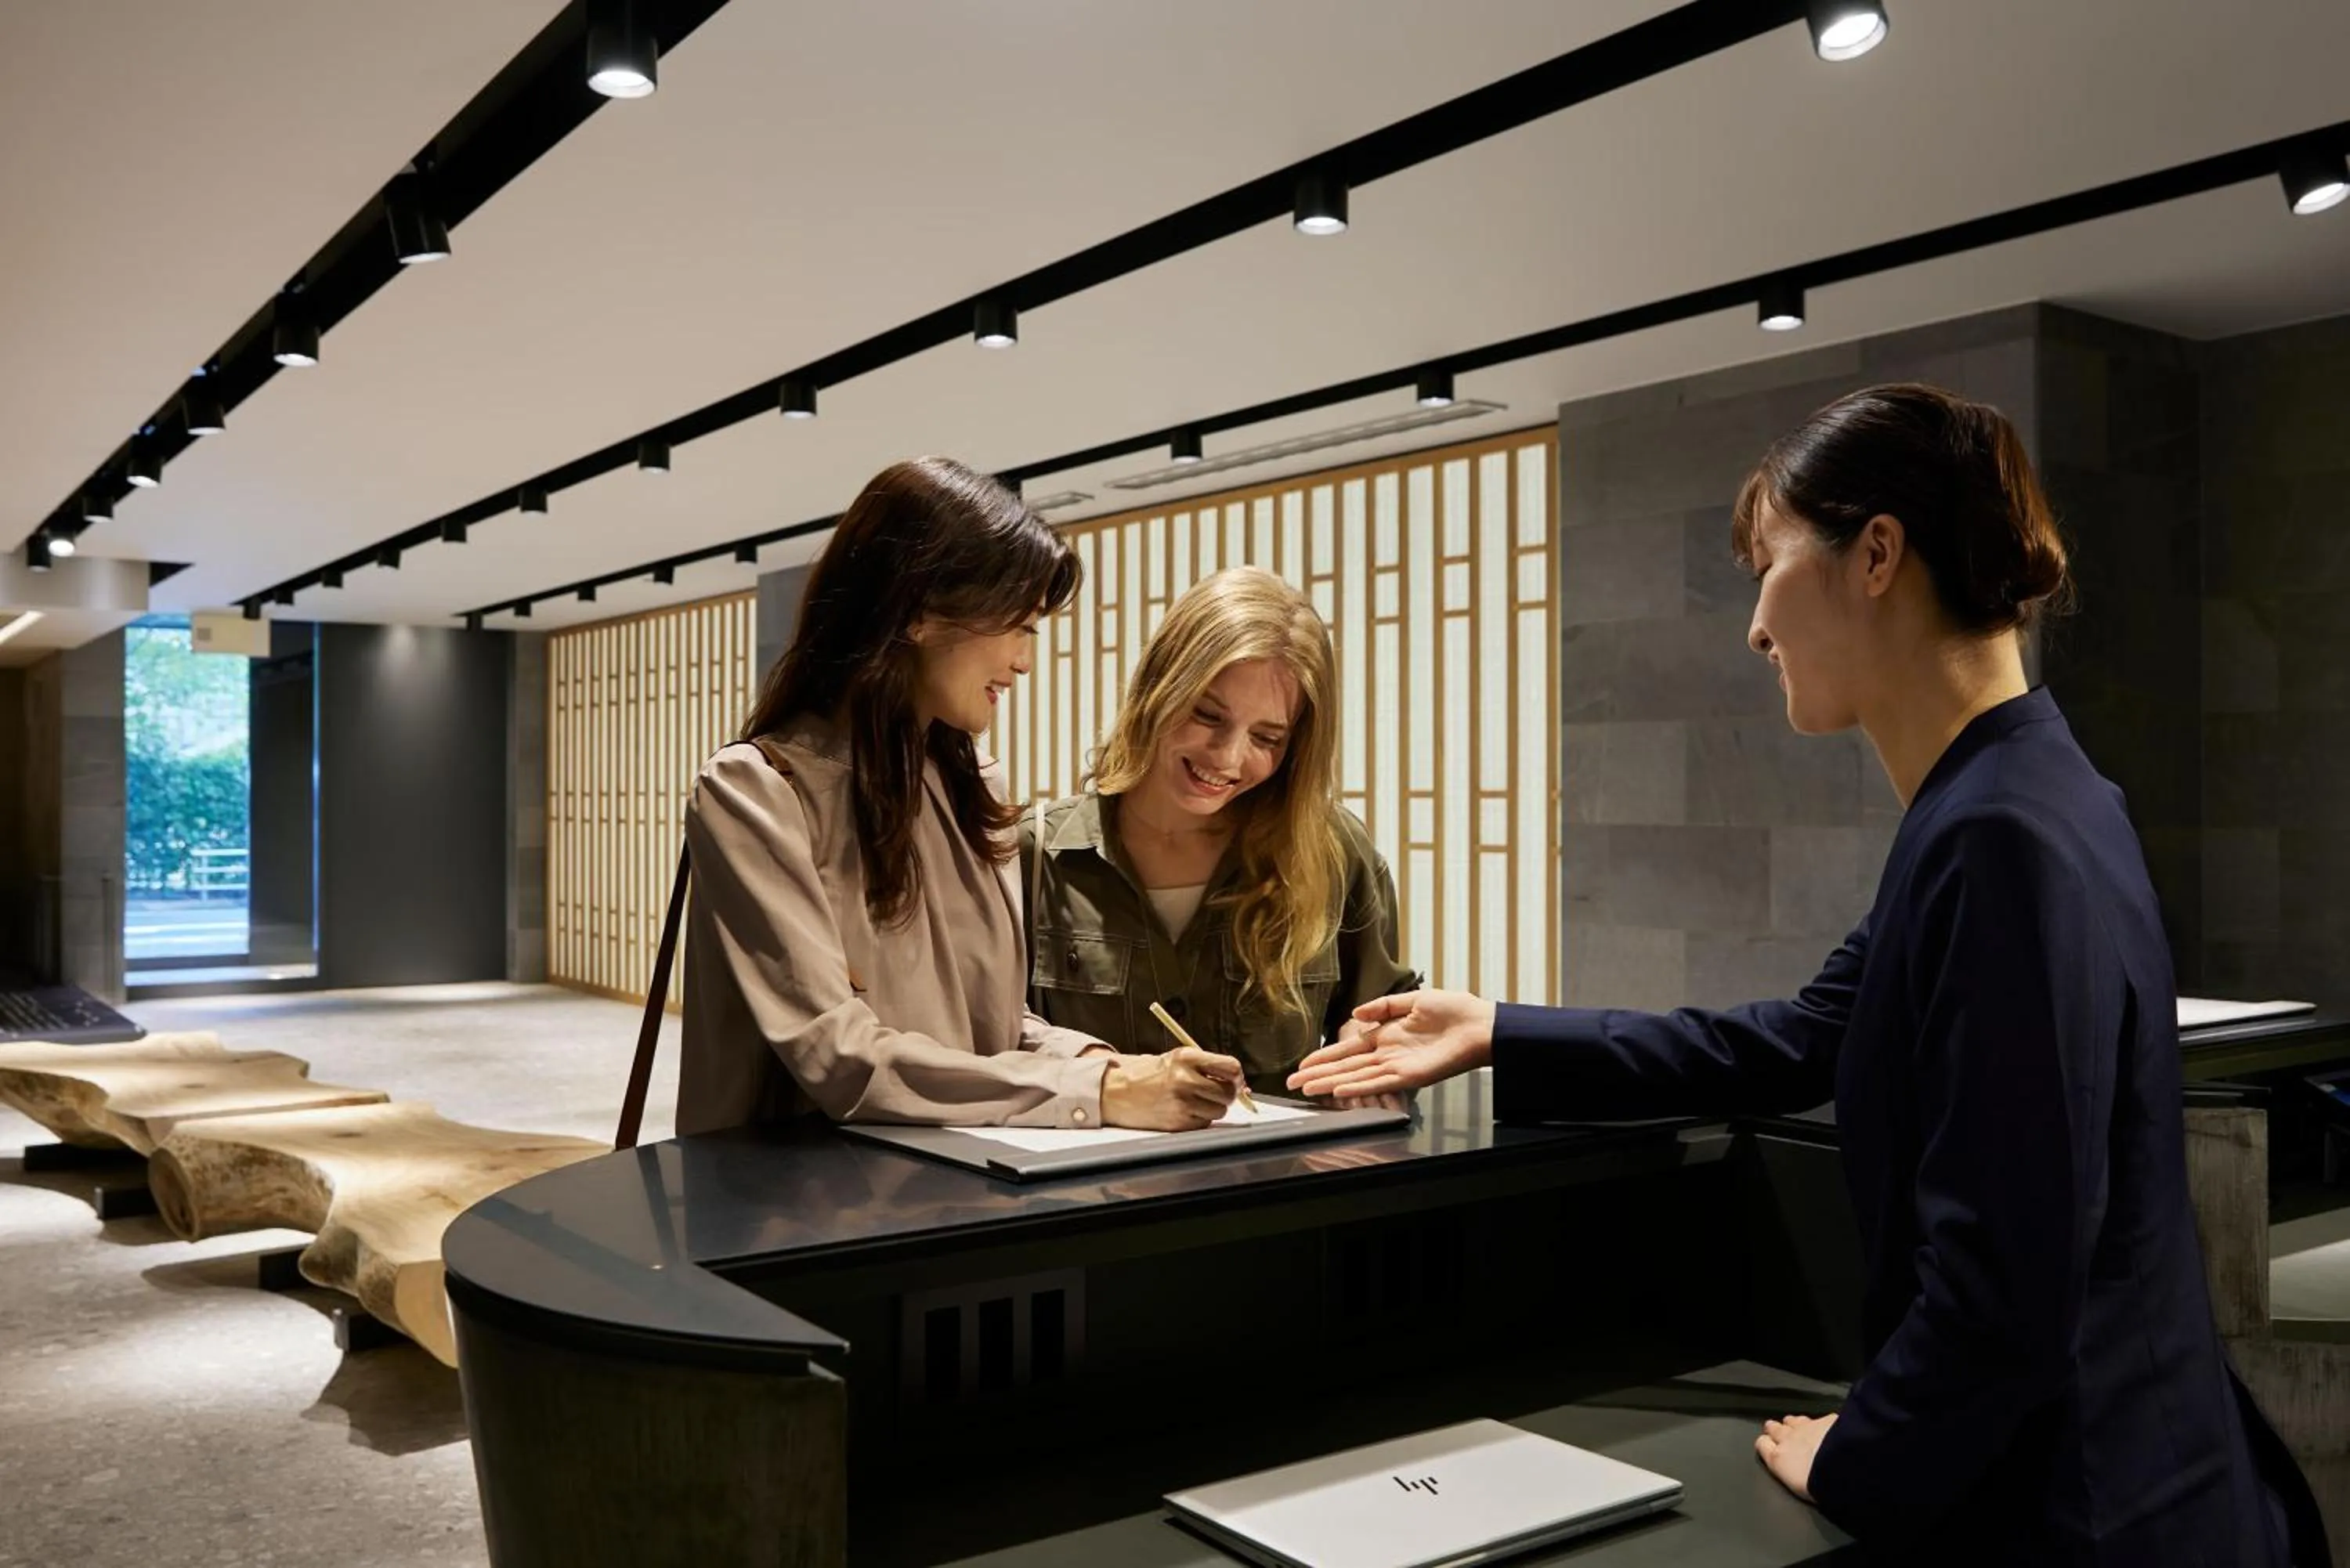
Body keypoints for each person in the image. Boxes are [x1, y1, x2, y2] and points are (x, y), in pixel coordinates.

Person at [1290, 387, 2326, 1566]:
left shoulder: (2002, 836)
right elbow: (1801, 1036)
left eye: (1768, 564)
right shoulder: (2023, 801)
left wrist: (1860, 1453)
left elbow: (2007, 1276)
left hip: (2088, 1510)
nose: (1753, 627)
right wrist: (1499, 1027)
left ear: (1876, 553)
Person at [675, 456, 1241, 1136]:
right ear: (919, 612)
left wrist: (1104, 1065)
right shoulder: (755, 791)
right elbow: (838, 1055)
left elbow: (994, 1027)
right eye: (1018, 626)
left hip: (964, 1186)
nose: (1024, 660)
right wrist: (1102, 1087)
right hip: (808, 1212)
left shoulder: (976, 784)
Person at [1022, 567, 1417, 1100]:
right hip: (1086, 1180)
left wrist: (1369, 1054)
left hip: (1282, 1178)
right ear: (1158, 688)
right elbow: (990, 1043)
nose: (1229, 759)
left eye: (1268, 738)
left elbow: (1379, 1012)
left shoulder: (1332, 850)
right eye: (1208, 716)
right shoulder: (1035, 855)